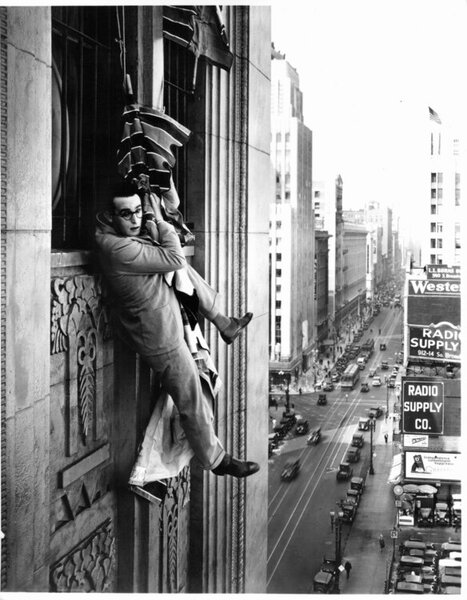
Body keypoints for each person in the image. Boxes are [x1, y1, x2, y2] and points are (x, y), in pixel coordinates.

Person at [95, 179, 258, 478]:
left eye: (137, 211)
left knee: (186, 272)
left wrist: (160, 180)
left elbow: (173, 205)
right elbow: (172, 257)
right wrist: (156, 220)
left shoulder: (128, 231)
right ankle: (218, 461)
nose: (134, 220)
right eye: (126, 214)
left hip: (167, 316)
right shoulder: (115, 247)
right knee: (190, 394)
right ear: (108, 216)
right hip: (157, 334)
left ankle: (224, 323)